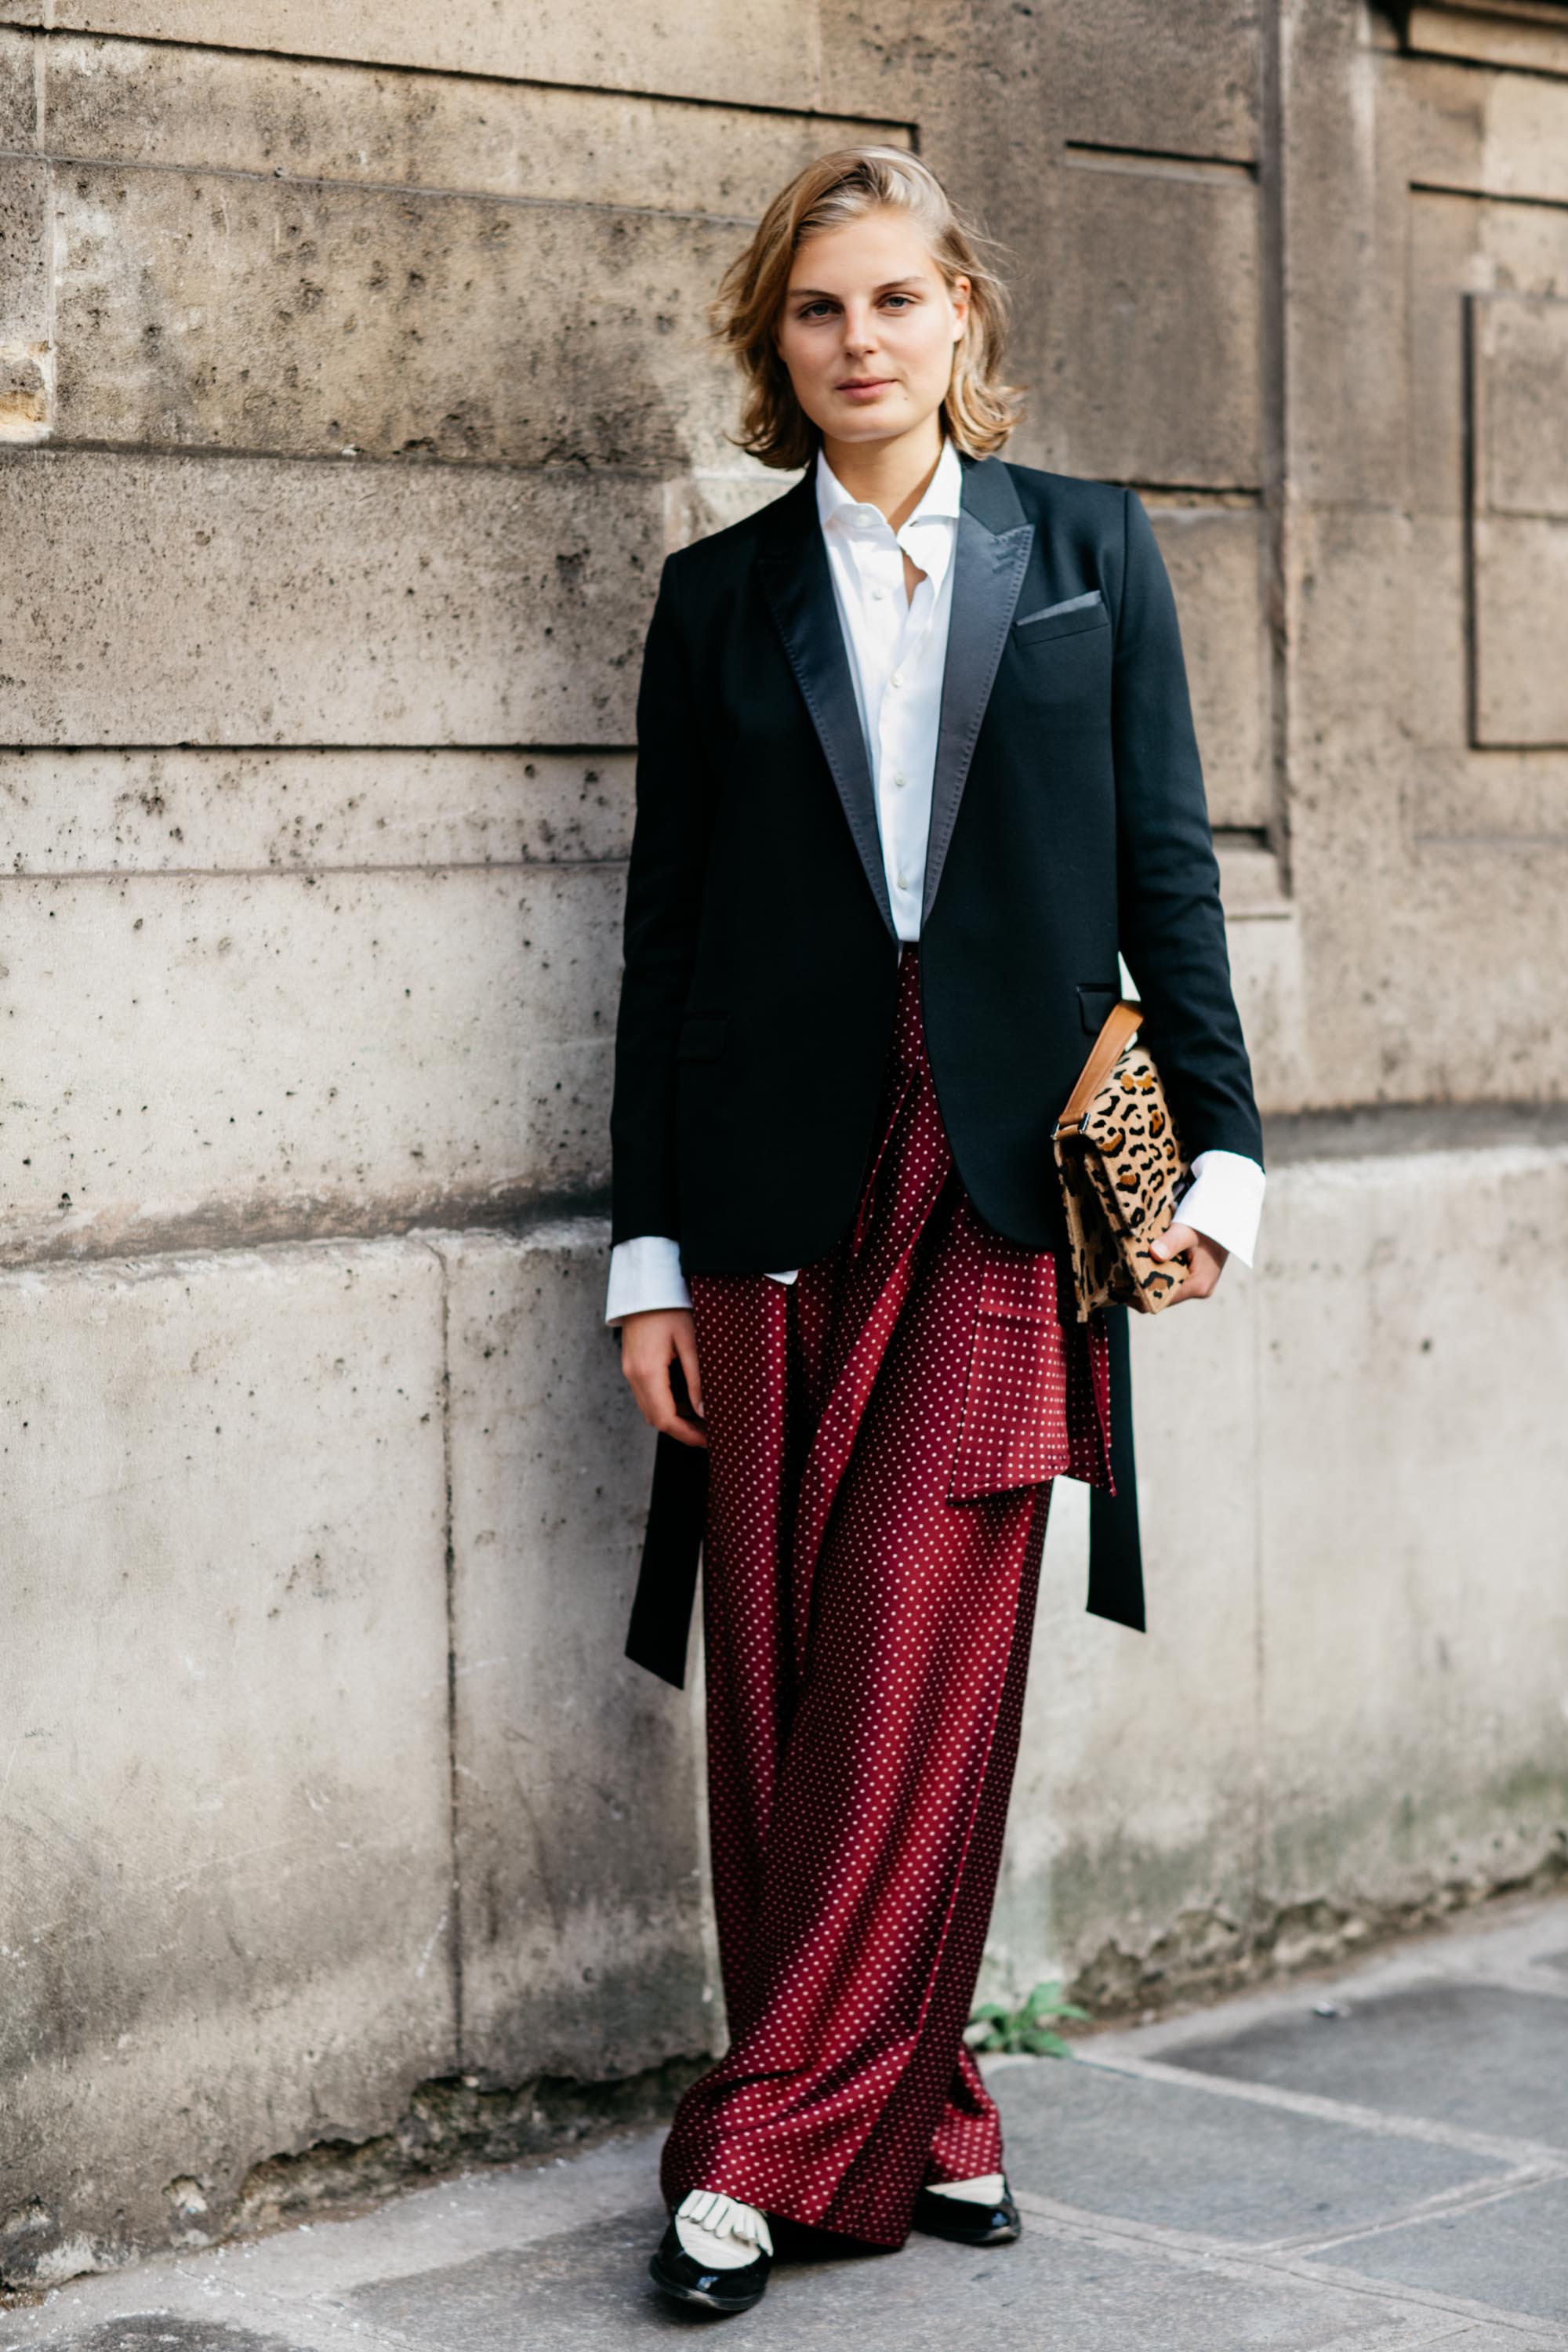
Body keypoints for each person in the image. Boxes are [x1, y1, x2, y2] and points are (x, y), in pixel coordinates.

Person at [604, 146, 1264, 2316]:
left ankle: (762, 2137)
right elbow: (663, 944)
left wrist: (1217, 1169)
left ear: (961, 308)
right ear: (775, 345)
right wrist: (639, 1263)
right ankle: (935, 2101)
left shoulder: (1090, 551)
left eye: (895, 300)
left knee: (920, 1642)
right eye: (819, 313)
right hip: (770, 1183)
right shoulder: (717, 599)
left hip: (1000, 1179)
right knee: (788, 1673)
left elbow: (1167, 870)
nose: (861, 341)